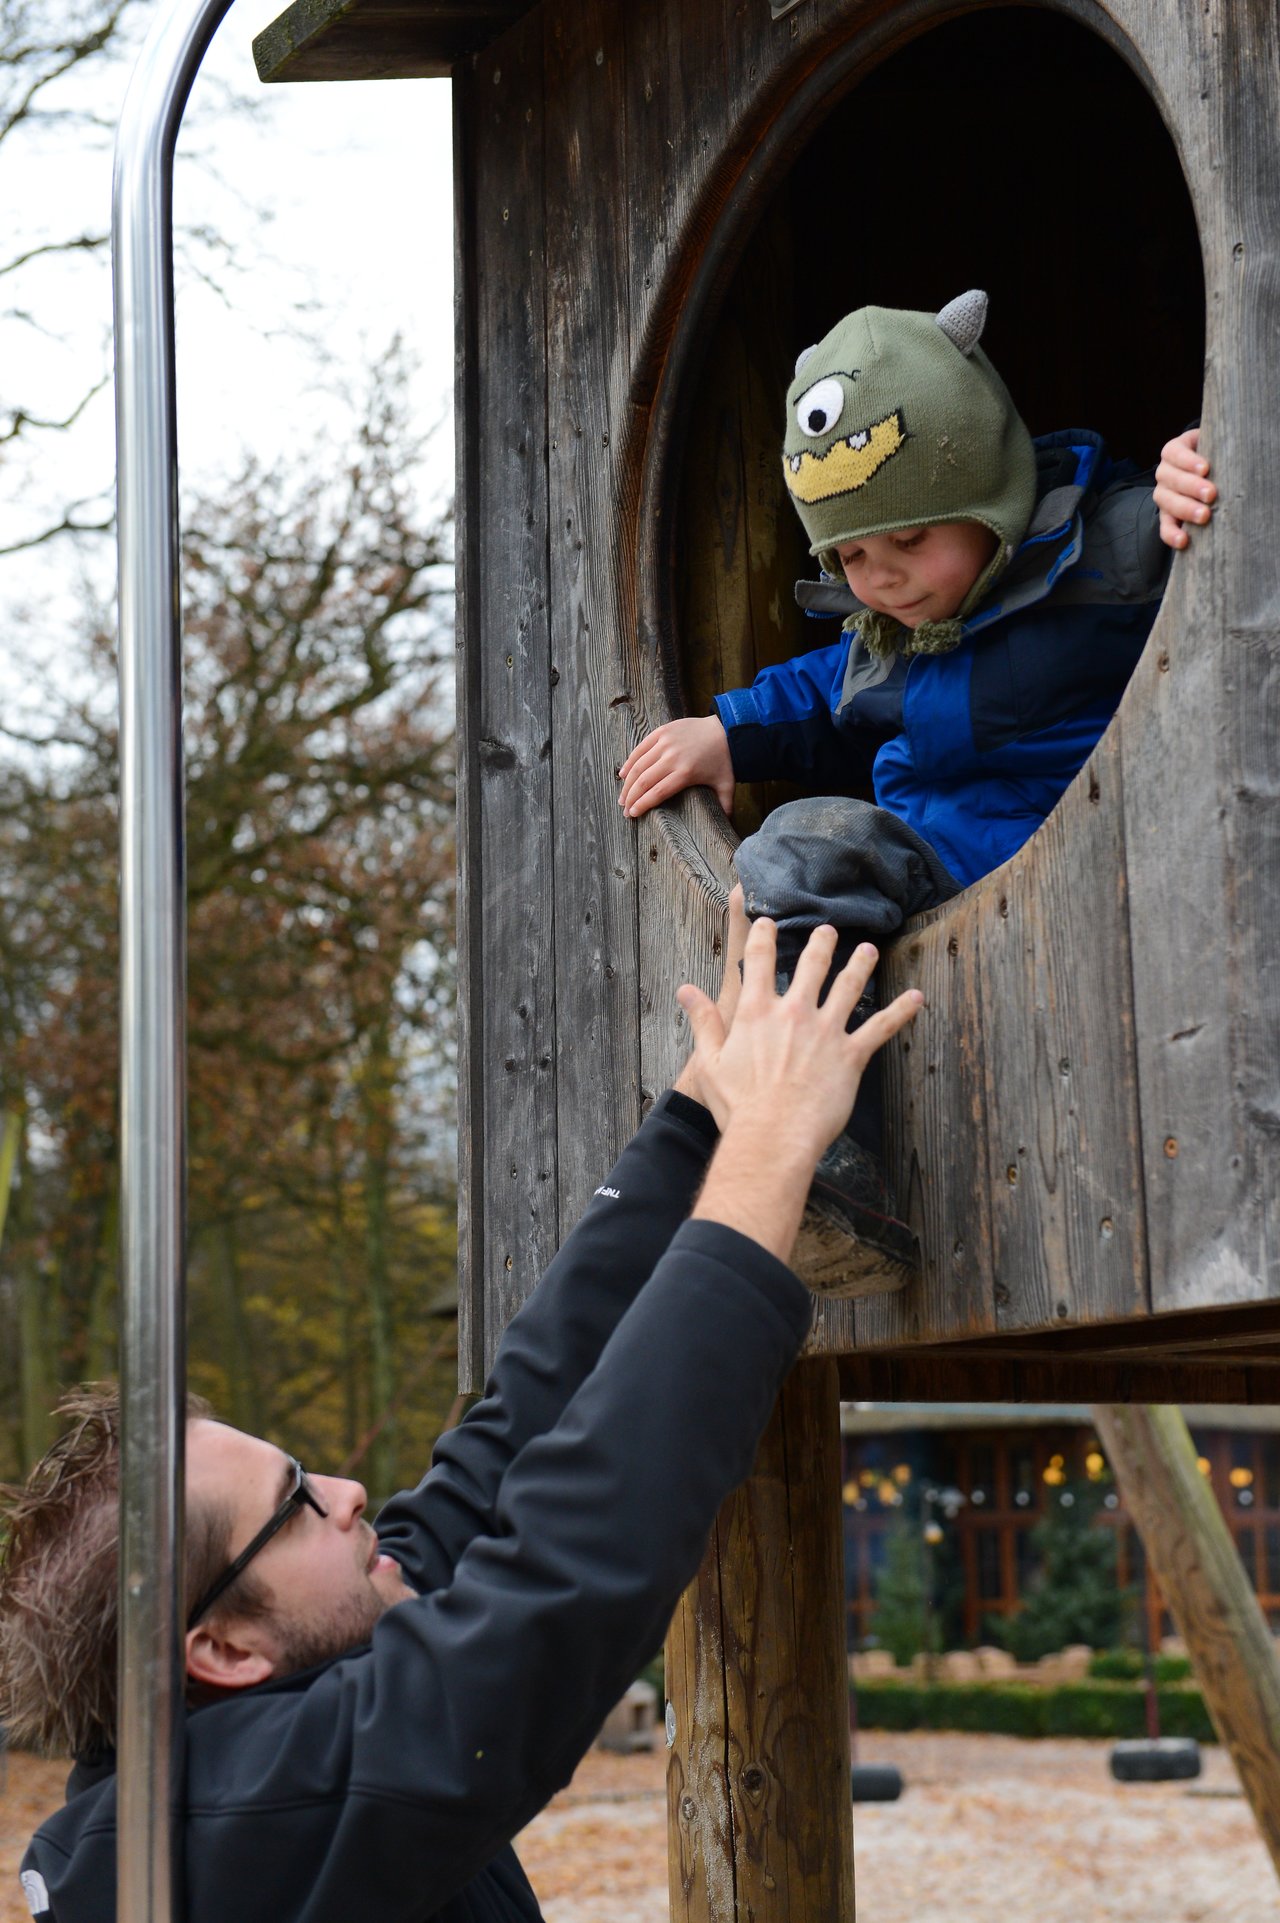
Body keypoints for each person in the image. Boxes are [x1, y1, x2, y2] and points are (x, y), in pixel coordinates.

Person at [0, 899, 922, 1923]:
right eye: (297, 1502)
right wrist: (770, 1148)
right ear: (220, 1650)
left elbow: (505, 1453)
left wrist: (694, 1123)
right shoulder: (216, 1845)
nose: (351, 1494)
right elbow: (556, 1589)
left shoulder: (298, 1671)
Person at [618, 290, 1217, 1270]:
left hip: (1079, 853)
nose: (884, 577)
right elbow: (817, 695)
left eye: (911, 539)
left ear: (991, 491)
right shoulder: (883, 639)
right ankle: (819, 1163)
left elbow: (1202, 549)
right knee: (800, 854)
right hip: (924, 859)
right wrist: (723, 732)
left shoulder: (1105, 552)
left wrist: (1190, 472)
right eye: (851, 553)